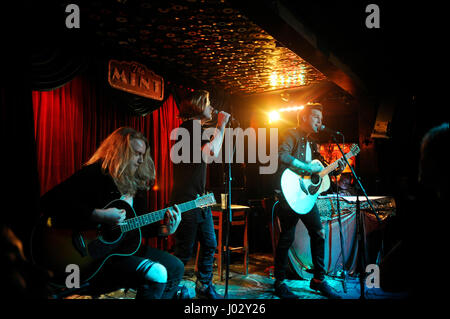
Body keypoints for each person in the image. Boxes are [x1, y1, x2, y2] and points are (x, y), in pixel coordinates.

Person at [39, 127, 184, 299]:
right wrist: (98, 214)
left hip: (123, 251)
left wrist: (166, 230)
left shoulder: (138, 187)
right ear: (119, 152)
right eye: (136, 154)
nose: (140, 160)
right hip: (94, 258)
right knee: (157, 272)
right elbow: (49, 201)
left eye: (143, 155)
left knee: (176, 267)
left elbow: (139, 228)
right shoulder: (96, 174)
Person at [274, 103, 345, 299]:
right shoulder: (291, 134)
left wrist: (337, 168)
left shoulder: (312, 144)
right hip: (289, 194)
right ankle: (279, 282)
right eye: (316, 117)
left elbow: (319, 172)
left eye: (321, 119)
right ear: (304, 117)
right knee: (286, 237)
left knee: (318, 233)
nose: (320, 122)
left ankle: (318, 280)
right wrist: (306, 167)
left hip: (305, 197)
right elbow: (282, 155)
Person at [169, 89, 230, 299]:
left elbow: (211, 152)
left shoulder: (195, 130)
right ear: (196, 105)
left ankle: (204, 286)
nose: (212, 107)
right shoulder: (188, 129)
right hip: (186, 201)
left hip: (199, 199)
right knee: (184, 250)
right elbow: (210, 152)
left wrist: (219, 129)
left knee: (210, 243)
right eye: (208, 103)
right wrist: (221, 126)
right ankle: (169, 288)